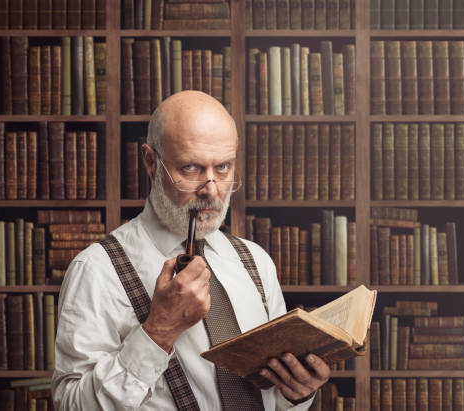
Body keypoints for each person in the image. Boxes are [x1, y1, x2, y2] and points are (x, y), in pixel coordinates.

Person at [51, 91, 330, 410]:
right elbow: (69, 405)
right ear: (151, 162)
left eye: (223, 168)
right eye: (190, 168)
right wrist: (158, 330)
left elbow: (277, 402)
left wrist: (298, 394)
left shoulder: (255, 261)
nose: (211, 190)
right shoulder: (96, 269)